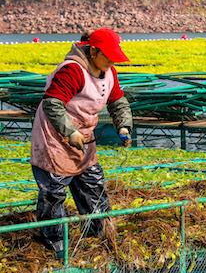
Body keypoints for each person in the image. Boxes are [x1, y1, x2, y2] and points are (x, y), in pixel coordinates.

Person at [30, 28, 133, 260]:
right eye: (107, 56)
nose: (111, 62)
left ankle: (99, 234)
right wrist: (70, 132)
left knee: (92, 184)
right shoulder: (72, 71)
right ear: (94, 51)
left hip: (84, 136)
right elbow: (53, 104)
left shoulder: (109, 72)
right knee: (53, 191)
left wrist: (123, 126)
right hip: (55, 136)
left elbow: (118, 102)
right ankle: (53, 241)